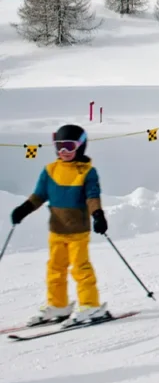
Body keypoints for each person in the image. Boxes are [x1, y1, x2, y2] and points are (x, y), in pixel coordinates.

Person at [9, 125, 111, 326]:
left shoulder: (87, 172)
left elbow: (92, 197)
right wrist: (24, 209)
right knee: (55, 269)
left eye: (69, 146)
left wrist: (98, 215)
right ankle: (58, 305)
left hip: (78, 231)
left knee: (80, 268)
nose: (63, 151)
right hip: (57, 230)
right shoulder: (50, 170)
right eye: (59, 146)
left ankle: (90, 305)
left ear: (80, 147)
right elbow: (38, 196)